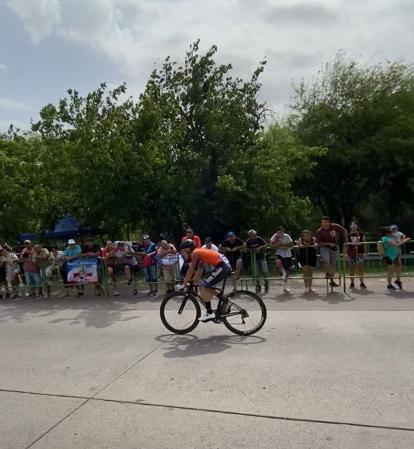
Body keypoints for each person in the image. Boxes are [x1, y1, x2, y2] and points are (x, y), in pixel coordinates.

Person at [181, 239, 232, 322]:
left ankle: (209, 312)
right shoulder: (199, 252)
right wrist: (192, 281)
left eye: (184, 251)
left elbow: (191, 270)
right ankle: (225, 300)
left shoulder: (195, 253)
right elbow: (200, 270)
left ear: (188, 249)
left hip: (222, 267)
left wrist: (184, 283)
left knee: (203, 285)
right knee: (205, 285)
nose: (183, 253)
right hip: (223, 266)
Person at [315, 216, 347, 287]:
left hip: (334, 248)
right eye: (322, 222)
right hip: (324, 247)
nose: (322, 224)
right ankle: (327, 273)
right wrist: (328, 243)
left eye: (324, 222)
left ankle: (331, 280)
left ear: (329, 222)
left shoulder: (335, 226)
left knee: (333, 264)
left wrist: (345, 242)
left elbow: (344, 231)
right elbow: (319, 243)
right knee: (326, 260)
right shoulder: (319, 231)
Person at [270, 226, 294, 293]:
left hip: (287, 255)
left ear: (283, 232)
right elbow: (270, 245)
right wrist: (277, 246)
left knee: (287, 271)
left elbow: (292, 245)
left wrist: (285, 246)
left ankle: (285, 287)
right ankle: (283, 272)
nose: (279, 234)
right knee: (278, 262)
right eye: (278, 233)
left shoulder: (287, 236)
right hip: (279, 254)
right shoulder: (275, 236)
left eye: (280, 232)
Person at [245, 230, 269, 294]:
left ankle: (266, 286)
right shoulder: (248, 241)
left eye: (254, 235)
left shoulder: (259, 238)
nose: (254, 236)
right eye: (252, 235)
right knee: (256, 273)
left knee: (265, 272)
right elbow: (246, 247)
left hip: (262, 257)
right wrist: (251, 250)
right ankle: (258, 287)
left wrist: (260, 247)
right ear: (250, 236)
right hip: (254, 258)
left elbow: (266, 244)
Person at [346, 224, 367, 289]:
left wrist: (365, 252)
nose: (354, 228)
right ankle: (352, 282)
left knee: (360, 268)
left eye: (355, 227)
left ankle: (362, 282)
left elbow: (364, 243)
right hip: (351, 253)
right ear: (350, 228)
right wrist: (346, 253)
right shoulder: (348, 234)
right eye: (352, 227)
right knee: (351, 268)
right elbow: (346, 244)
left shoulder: (361, 234)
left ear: (357, 227)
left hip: (359, 253)